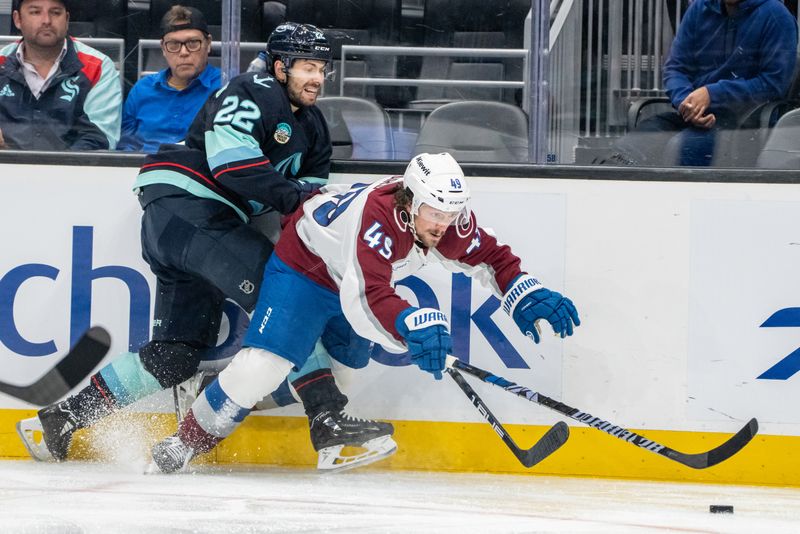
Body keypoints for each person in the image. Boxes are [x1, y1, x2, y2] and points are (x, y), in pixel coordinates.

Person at [17, 22, 395, 472]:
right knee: (286, 296)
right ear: (279, 66)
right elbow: (232, 165)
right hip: (186, 207)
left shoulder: (313, 128)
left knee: (175, 354)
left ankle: (61, 419)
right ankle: (326, 416)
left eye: (321, 69)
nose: (317, 77)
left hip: (196, 230)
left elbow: (304, 214)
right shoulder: (251, 89)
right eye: (307, 67)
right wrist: (299, 199)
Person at [149, 152, 581, 473]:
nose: (443, 225)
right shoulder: (377, 220)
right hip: (304, 267)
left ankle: (231, 396)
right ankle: (183, 443)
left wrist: (524, 292)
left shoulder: (444, 219)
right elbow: (368, 299)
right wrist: (410, 325)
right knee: (263, 365)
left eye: (451, 213)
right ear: (410, 201)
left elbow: (491, 258)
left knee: (344, 374)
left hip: (349, 275)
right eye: (434, 212)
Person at [603, 0, 797, 166]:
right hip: (692, 112)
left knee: (686, 148)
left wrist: (711, 94)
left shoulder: (776, 17)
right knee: (631, 147)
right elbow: (675, 68)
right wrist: (686, 102)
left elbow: (772, 84)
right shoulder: (699, 9)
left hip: (744, 122)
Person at [0, 0, 121, 150]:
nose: (46, 21)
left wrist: (56, 168)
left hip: (75, 171)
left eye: (55, 12)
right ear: (18, 19)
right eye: (35, 12)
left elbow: (99, 139)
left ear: (67, 19)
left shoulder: (98, 66)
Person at [118, 6, 221, 153]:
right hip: (144, 169)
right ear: (163, 48)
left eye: (192, 43)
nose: (184, 52)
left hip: (199, 171)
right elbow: (124, 147)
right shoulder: (142, 90)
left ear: (208, 43)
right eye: (174, 45)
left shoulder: (225, 87)